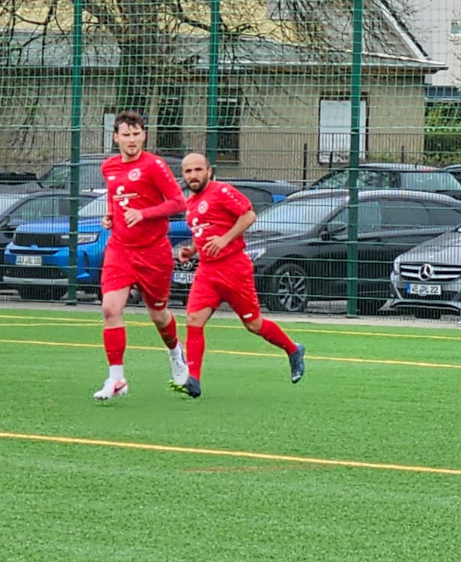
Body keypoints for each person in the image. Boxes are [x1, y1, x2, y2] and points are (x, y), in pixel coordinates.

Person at [173, 153, 305, 398]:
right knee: (193, 321)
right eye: (188, 171)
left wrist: (224, 240)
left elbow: (249, 216)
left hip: (234, 269)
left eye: (198, 169)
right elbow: (205, 231)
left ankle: (293, 350)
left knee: (253, 324)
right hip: (207, 272)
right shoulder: (190, 203)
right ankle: (194, 380)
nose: (193, 175)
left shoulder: (222, 191)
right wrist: (192, 249)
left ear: (209, 171)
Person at [93, 111, 189, 400]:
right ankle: (116, 378)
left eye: (136, 135)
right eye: (126, 134)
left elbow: (178, 202)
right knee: (110, 309)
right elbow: (115, 194)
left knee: (158, 314)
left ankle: (175, 353)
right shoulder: (109, 167)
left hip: (153, 252)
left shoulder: (154, 166)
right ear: (115, 137)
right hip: (120, 250)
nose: (131, 140)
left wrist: (144, 213)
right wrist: (111, 214)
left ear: (144, 136)